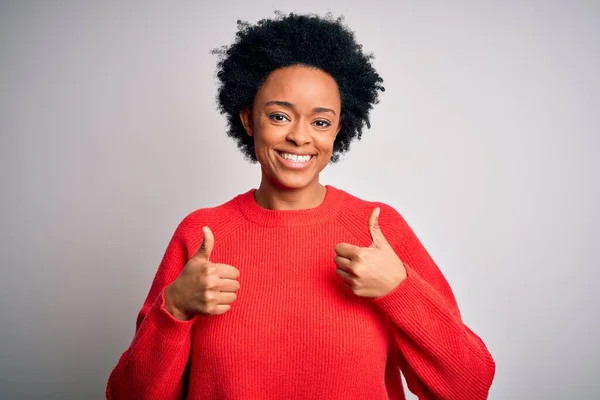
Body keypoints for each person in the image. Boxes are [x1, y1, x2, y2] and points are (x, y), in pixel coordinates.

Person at [106, 12, 496, 400]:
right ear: (248, 119)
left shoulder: (377, 229)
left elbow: (469, 386)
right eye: (279, 116)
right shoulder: (202, 234)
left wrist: (399, 289)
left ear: (339, 129)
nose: (299, 137)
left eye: (321, 122)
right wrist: (173, 309)